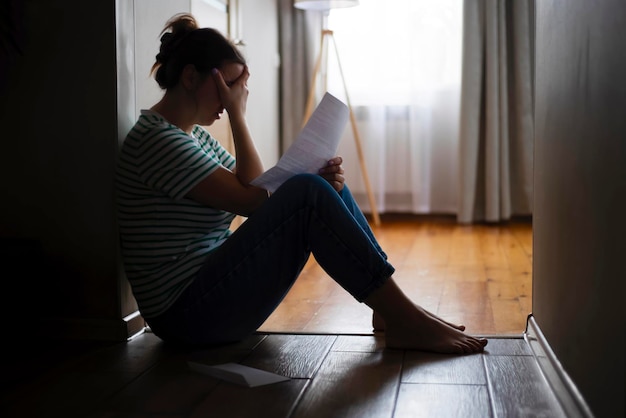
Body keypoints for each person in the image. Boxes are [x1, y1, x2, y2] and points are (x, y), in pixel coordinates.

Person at [115, 12, 487, 354]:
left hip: (205, 299)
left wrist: (318, 181)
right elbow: (253, 201)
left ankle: (391, 310)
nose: (232, 98)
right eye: (228, 85)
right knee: (307, 192)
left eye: (238, 89)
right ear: (191, 77)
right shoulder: (157, 140)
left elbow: (258, 185)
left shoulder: (192, 137)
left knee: (322, 186)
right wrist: (239, 117)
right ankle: (401, 314)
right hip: (187, 317)